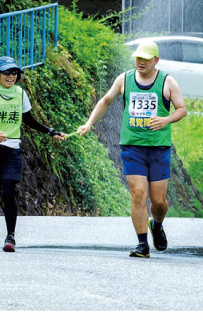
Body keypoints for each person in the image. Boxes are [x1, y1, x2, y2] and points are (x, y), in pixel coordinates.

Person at [76, 40, 187, 258]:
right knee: (138, 194)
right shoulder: (124, 79)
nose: (141, 62)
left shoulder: (167, 82)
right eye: (138, 58)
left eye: (146, 59)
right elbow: (105, 100)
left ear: (156, 60)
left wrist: (166, 120)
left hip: (158, 148)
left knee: (159, 202)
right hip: (132, 147)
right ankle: (142, 244)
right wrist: (89, 123)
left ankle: (157, 224)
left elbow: (182, 109)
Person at [0, 56, 67, 253]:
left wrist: (51, 132)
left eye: (15, 72)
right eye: (7, 72)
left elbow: (28, 120)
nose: (11, 76)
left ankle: (10, 237)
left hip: (12, 151)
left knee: (8, 192)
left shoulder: (20, 94)